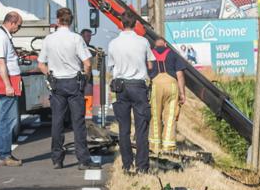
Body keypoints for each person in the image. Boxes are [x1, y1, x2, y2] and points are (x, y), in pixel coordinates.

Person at [38, 8, 98, 170]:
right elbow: (87, 63)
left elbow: (41, 63)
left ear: (58, 20)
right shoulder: (76, 39)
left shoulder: (49, 39)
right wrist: (84, 78)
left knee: (57, 122)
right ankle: (83, 160)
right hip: (74, 83)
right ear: (70, 21)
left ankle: (57, 159)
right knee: (78, 122)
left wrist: (49, 76)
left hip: (57, 83)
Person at [107, 10, 154, 173]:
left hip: (120, 87)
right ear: (135, 24)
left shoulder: (113, 44)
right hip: (139, 86)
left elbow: (111, 66)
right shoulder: (143, 42)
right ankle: (142, 166)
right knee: (141, 129)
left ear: (121, 24)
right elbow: (150, 65)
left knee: (124, 129)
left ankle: (127, 164)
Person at [0, 11, 24, 167]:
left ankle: (6, 154)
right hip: (6, 83)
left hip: (10, 81)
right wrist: (8, 85)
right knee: (7, 121)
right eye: (19, 25)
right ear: (12, 22)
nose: (19, 28)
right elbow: (1, 63)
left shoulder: (4, 36)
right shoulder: (0, 37)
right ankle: (4, 155)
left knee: (10, 120)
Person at [148, 37, 187, 153]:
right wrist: (182, 93)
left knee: (155, 116)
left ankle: (155, 146)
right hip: (172, 85)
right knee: (170, 117)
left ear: (155, 45)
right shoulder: (173, 54)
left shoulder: (150, 54)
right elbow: (180, 75)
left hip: (156, 85)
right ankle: (168, 146)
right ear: (165, 44)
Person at [80, 28, 97, 119]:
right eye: (87, 36)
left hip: (88, 79)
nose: (89, 38)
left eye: (90, 36)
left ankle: (88, 118)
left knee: (88, 97)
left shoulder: (92, 49)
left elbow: (95, 64)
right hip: (78, 78)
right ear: (82, 36)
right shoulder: (77, 47)